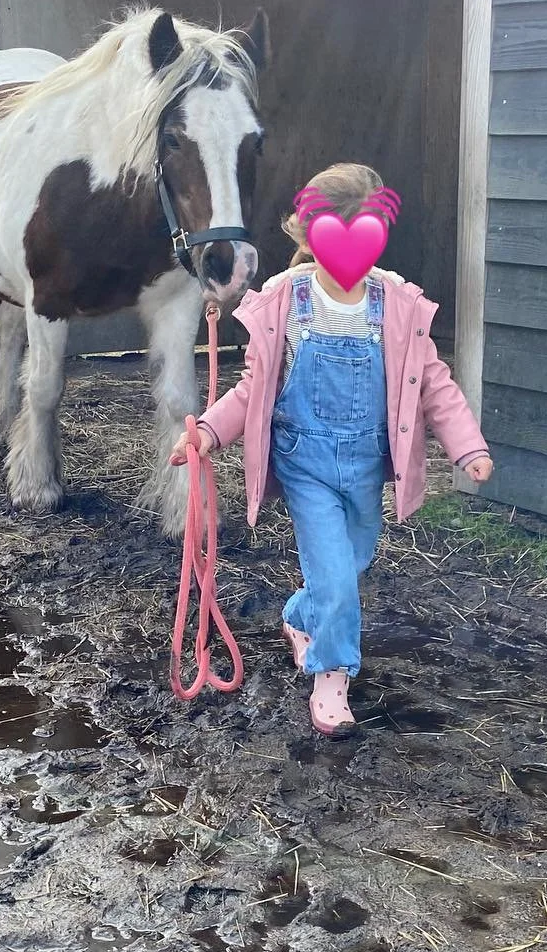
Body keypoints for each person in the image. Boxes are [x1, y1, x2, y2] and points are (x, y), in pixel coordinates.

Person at [170, 162, 492, 736]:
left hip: (367, 464)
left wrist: (466, 448)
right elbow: (252, 391)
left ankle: (299, 617)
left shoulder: (395, 304)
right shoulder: (286, 303)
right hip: (305, 463)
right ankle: (331, 674)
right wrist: (209, 431)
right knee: (338, 579)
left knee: (351, 564)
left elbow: (434, 383)